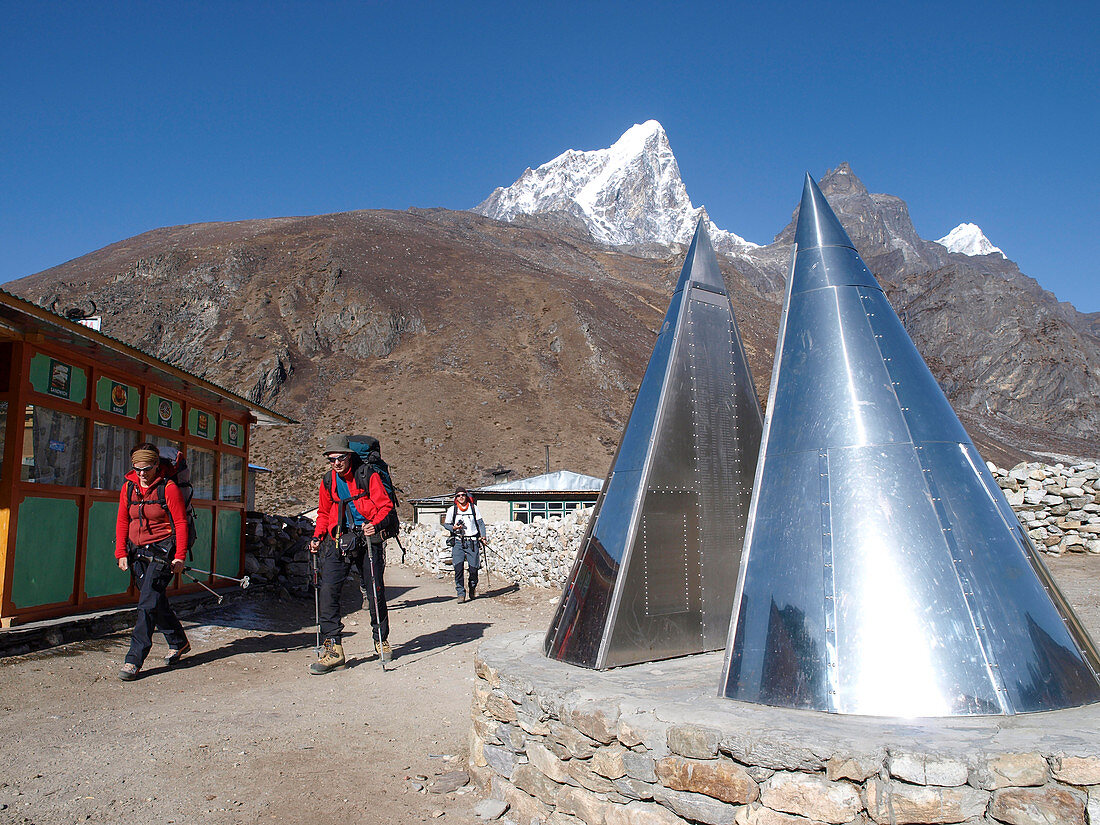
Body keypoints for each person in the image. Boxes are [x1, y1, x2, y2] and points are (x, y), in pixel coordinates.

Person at [309, 435, 394, 674]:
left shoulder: (367, 474)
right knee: (328, 590)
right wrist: (317, 537)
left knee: (375, 589)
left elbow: (385, 505)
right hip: (339, 538)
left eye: (340, 458)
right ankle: (334, 649)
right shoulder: (328, 481)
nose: (336, 463)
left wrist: (375, 524)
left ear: (349, 456)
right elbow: (324, 513)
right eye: (331, 459)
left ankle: (381, 640)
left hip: (368, 538)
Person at [115, 442, 190, 681]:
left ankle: (133, 660)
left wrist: (179, 556)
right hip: (137, 552)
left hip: (163, 552)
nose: (141, 474)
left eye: (146, 469)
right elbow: (122, 521)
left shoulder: (169, 489)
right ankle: (178, 642)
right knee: (155, 601)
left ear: (157, 466)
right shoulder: (128, 488)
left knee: (146, 604)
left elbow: (180, 523)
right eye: (137, 469)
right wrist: (121, 553)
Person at [443, 488, 486, 602]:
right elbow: (446, 524)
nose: (461, 497)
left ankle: (472, 587)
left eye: (463, 495)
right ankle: (461, 593)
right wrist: (454, 528)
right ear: (455, 498)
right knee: (458, 568)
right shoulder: (452, 510)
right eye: (458, 495)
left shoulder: (473, 508)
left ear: (466, 496)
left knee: (474, 569)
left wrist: (484, 536)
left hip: (472, 542)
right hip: (458, 541)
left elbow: (480, 523)